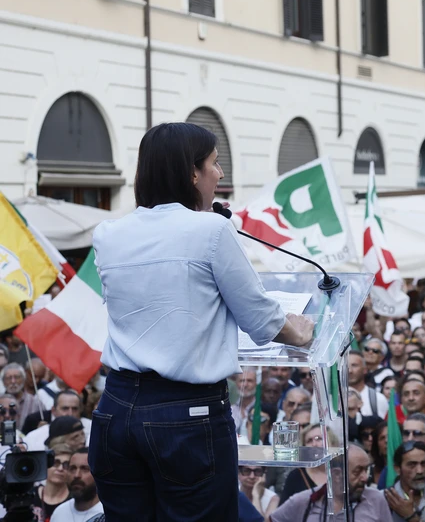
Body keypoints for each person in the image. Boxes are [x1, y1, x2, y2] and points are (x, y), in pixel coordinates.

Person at [89, 123, 314, 520]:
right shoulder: (212, 228)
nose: (220, 173)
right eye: (214, 162)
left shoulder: (109, 234)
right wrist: (301, 330)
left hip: (117, 410)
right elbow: (262, 320)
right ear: (191, 173)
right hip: (184, 416)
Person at [271, 444, 390, 522]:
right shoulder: (303, 501)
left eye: (366, 470)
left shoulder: (376, 499)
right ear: (336, 474)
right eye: (357, 471)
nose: (364, 478)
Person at [50, 448, 104, 522]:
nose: (76, 475)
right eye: (72, 468)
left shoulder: (108, 513)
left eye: (85, 469)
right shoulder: (59, 512)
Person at [38, 445, 73, 519]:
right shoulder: (31, 494)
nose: (60, 469)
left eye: (66, 465)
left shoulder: (74, 499)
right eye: (55, 463)